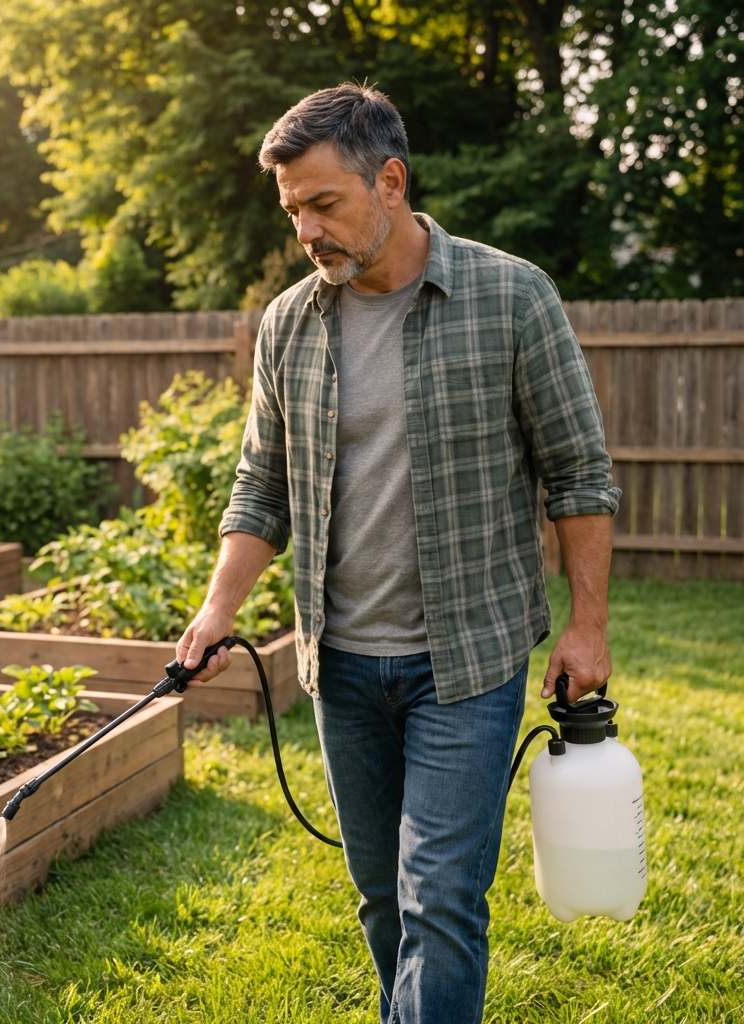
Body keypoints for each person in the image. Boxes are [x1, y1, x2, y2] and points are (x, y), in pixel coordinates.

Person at [175, 83, 620, 1024]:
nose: (307, 230)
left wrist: (588, 626)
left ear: (389, 181)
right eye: (293, 210)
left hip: (467, 663)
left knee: (440, 901)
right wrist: (219, 609)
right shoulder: (290, 323)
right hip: (339, 664)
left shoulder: (512, 296)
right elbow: (261, 486)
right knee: (383, 897)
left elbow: (579, 473)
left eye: (323, 203)